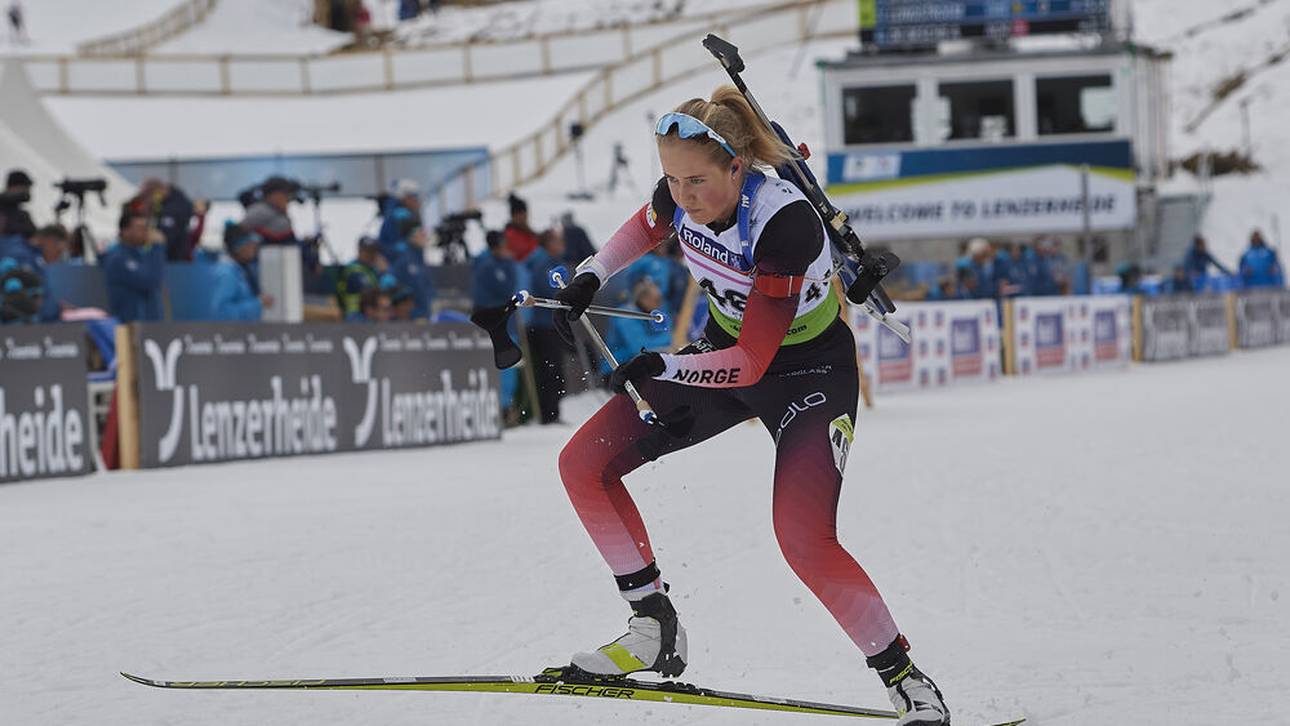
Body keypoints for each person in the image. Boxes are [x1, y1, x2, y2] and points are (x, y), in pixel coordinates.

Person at [551, 89, 950, 725]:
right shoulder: (678, 194)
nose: (684, 195)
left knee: (802, 537)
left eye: (698, 180)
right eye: (673, 179)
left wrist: (664, 364)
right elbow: (646, 226)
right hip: (720, 355)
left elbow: (754, 362)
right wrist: (591, 274)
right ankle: (653, 624)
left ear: (737, 166)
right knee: (582, 464)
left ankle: (906, 678)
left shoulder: (784, 223)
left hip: (806, 374)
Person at [524, 229, 568, 424]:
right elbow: (547, 290)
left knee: (550, 369)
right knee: (550, 370)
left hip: (544, 323)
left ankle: (550, 412)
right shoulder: (543, 263)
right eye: (558, 241)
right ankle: (549, 414)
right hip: (543, 324)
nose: (562, 246)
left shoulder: (543, 261)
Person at [122, 178, 208, 262]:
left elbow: (164, 239)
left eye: (148, 197)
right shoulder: (169, 202)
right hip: (174, 259)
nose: (148, 202)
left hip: (173, 262)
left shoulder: (171, 211)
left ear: (157, 192)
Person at [102, 211, 165, 322]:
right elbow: (150, 281)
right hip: (129, 326)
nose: (146, 232)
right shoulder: (118, 258)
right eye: (140, 228)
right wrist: (157, 247)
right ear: (125, 231)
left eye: (146, 227)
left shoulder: (140, 255)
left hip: (148, 325)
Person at [604, 278, 673, 374]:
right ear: (644, 299)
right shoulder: (626, 317)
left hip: (636, 365)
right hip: (617, 369)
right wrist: (674, 339)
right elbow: (640, 348)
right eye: (657, 300)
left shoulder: (650, 314)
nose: (660, 305)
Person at [210, 224, 272, 321]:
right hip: (233, 334)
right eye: (250, 244)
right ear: (238, 248)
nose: (254, 248)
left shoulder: (244, 269)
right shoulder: (227, 274)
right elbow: (222, 312)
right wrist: (258, 304)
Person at [389, 224, 435, 319]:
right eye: (420, 234)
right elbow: (396, 288)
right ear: (411, 237)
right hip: (411, 317)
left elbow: (428, 287)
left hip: (425, 315)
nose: (424, 236)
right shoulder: (404, 260)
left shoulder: (421, 261)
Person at [337, 236, 386, 320]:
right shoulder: (353, 269)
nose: (371, 255)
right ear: (359, 251)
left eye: (374, 252)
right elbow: (369, 292)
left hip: (370, 313)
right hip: (354, 314)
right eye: (368, 252)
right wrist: (382, 273)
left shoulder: (371, 269)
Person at [378, 178, 423, 262]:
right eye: (415, 196)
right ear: (405, 198)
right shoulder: (402, 215)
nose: (418, 201)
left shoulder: (392, 213)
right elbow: (405, 244)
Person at [504, 193, 540, 262]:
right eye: (520, 216)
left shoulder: (529, 232)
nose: (523, 219)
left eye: (525, 215)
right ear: (513, 217)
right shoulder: (510, 235)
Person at [0, 169, 35, 239]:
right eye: (26, 187)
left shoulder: (21, 214)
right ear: (14, 187)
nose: (28, 190)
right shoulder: (5, 208)